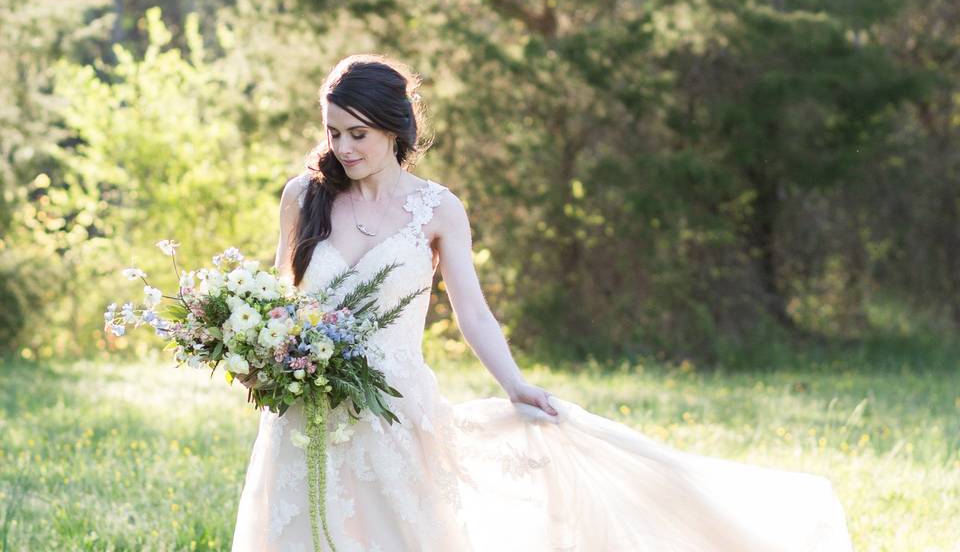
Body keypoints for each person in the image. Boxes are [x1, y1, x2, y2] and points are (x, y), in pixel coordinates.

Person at [230, 54, 854, 551]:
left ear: (395, 127)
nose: (343, 147)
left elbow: (472, 312)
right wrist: (262, 353)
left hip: (393, 412)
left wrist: (515, 384)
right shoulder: (303, 198)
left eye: (357, 133)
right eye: (334, 132)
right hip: (305, 415)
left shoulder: (437, 210)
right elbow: (284, 301)